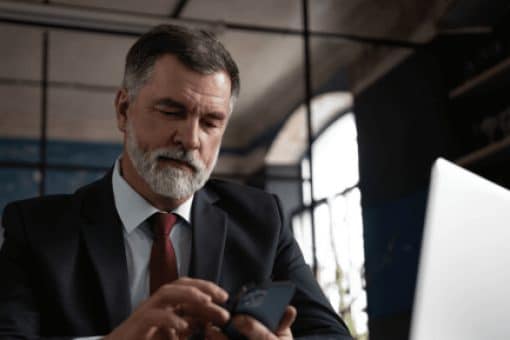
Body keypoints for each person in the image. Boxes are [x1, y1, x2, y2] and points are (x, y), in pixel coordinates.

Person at [0, 25, 352, 340]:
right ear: (124, 110)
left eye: (211, 122)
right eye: (172, 112)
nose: (191, 138)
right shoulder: (36, 231)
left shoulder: (263, 220)